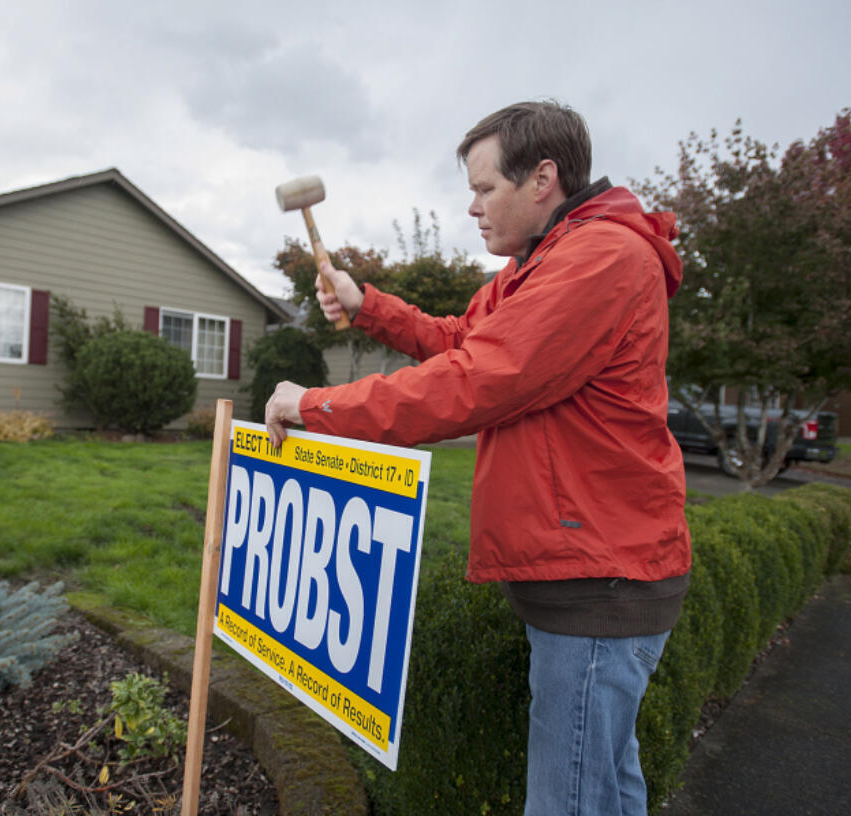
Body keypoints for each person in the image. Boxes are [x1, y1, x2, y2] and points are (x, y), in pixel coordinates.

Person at [264, 100, 691, 816]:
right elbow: (464, 338)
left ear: (543, 179)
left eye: (485, 188)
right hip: (591, 573)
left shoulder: (599, 260)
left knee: (570, 803)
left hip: (600, 583)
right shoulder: (540, 265)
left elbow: (474, 381)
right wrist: (365, 303)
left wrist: (315, 407)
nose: (472, 208)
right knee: (608, 791)